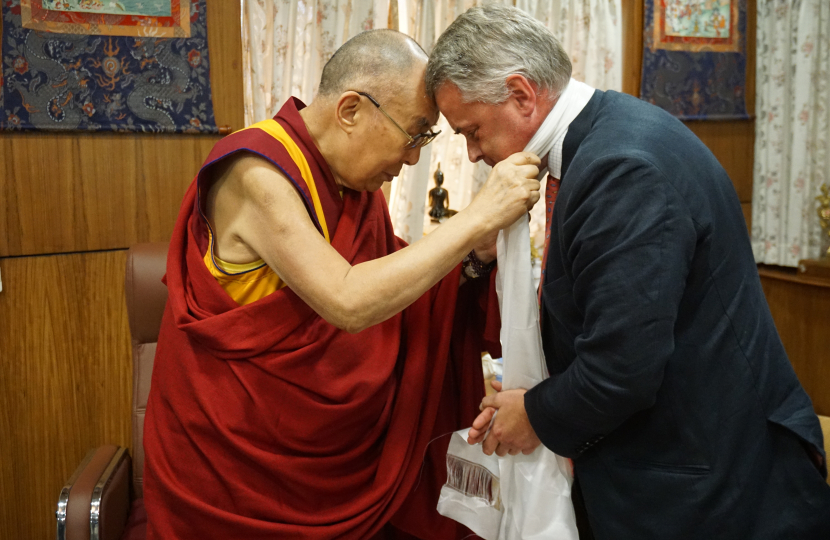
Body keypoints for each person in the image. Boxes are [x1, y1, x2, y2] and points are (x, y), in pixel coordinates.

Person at [426, 5, 830, 539]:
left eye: (473, 131)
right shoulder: (604, 133)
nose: (474, 153)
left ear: (522, 94)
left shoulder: (621, 169)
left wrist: (535, 415)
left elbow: (620, 370)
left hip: (711, 487)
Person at [143, 29, 541, 539]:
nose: (413, 159)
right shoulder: (255, 171)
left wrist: (472, 256)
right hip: (240, 466)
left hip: (330, 453)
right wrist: (475, 218)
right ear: (351, 110)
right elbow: (347, 300)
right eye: (414, 134)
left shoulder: (350, 183)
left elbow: (394, 283)